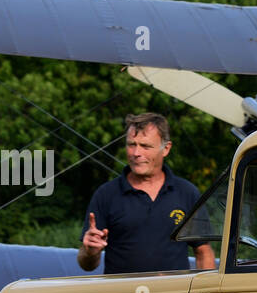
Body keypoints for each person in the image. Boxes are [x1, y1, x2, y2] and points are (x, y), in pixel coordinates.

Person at [78, 112, 216, 274]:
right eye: (131, 144)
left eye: (145, 146)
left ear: (166, 148)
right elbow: (87, 264)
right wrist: (90, 252)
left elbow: (203, 252)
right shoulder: (106, 194)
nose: (136, 153)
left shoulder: (187, 192)